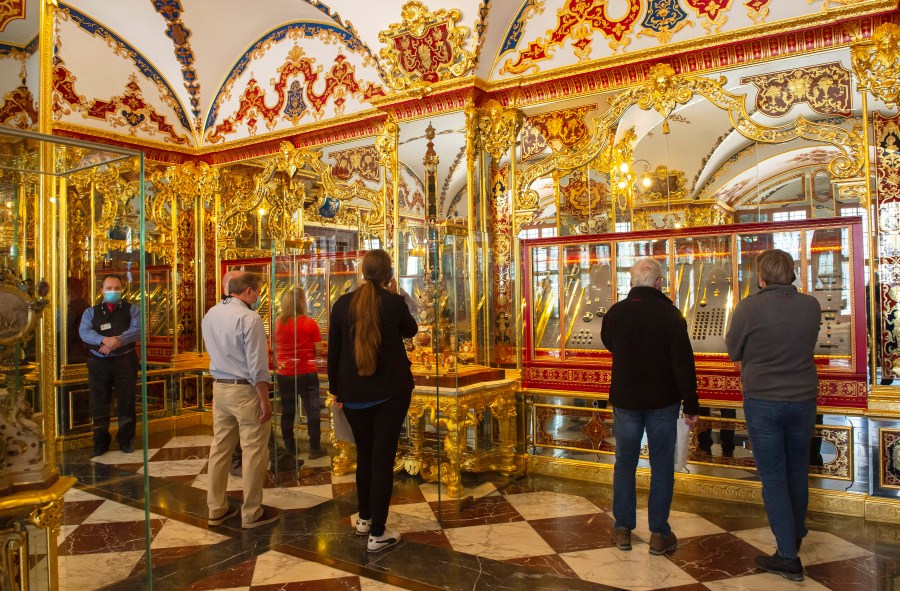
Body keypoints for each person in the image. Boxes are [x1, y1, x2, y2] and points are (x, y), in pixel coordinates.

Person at [726, 249, 820, 582]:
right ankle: (793, 533)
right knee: (797, 469)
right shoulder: (810, 306)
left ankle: (788, 555)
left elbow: (733, 349)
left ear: (760, 277)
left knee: (774, 477)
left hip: (764, 400)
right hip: (803, 398)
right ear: (792, 274)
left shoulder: (749, 307)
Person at [600, 257, 700, 556]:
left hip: (626, 401)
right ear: (659, 283)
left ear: (632, 282)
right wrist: (691, 404)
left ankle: (622, 529)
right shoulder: (670, 315)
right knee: (661, 467)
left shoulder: (616, 313)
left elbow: (609, 343)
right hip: (662, 402)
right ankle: (659, 533)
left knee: (624, 464)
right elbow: (683, 365)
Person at [328, 249, 417, 553]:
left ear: (362, 272)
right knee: (382, 461)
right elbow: (412, 330)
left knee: (365, 456)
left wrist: (335, 390)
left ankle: (365, 518)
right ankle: (377, 533)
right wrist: (395, 295)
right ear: (389, 274)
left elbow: (334, 353)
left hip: (353, 396)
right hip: (389, 393)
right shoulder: (392, 303)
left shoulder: (341, 305)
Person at [202, 272, 279, 529]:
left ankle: (216, 508)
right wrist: (264, 398)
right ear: (246, 291)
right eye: (256, 292)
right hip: (245, 391)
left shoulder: (211, 313)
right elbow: (257, 365)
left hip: (220, 388)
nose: (257, 297)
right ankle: (252, 512)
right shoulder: (249, 318)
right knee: (254, 452)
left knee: (220, 450)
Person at [79, 274, 140, 456]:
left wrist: (117, 342)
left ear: (122, 289)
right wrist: (104, 339)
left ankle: (126, 440)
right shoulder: (91, 312)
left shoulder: (132, 309)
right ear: (102, 291)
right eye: (109, 288)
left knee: (126, 402)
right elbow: (84, 332)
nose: (113, 291)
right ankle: (100, 442)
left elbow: (137, 329)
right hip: (98, 362)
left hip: (125, 361)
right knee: (99, 403)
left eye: (116, 288)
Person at [275, 286, 326, 459]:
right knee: (313, 411)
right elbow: (318, 349)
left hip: (285, 373)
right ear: (302, 302)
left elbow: (275, 346)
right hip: (306, 371)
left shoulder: (278, 323)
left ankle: (289, 446)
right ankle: (314, 448)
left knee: (288, 411)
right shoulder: (309, 323)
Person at [66, 276, 90, 364]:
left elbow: (69, 335)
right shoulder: (88, 308)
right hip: (85, 355)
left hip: (74, 356)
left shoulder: (72, 310)